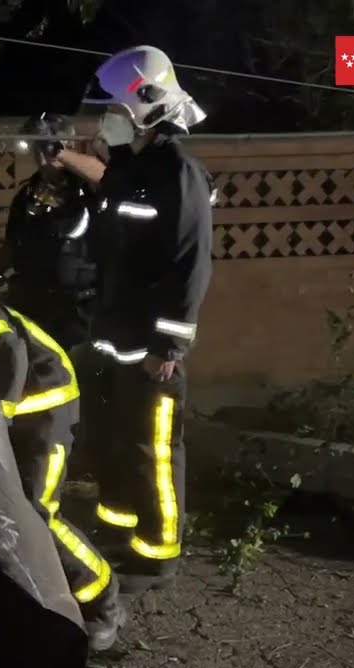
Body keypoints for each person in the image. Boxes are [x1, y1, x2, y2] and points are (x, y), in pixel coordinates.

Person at [68, 45, 214, 594]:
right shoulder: (129, 172)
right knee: (113, 440)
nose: (106, 121)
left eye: (114, 111)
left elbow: (190, 266)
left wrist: (169, 347)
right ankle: (118, 526)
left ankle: (158, 552)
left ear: (148, 107)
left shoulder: (180, 173)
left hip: (151, 351)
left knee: (154, 448)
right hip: (112, 340)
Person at [0, 285, 126, 652]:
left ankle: (103, 599)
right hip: (18, 412)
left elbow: (9, 356)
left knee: (36, 513)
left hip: (46, 404)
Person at [0, 114, 101, 353]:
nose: (41, 154)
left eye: (45, 146)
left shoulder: (86, 189)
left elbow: (105, 176)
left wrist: (59, 152)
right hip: (32, 301)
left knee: (73, 371)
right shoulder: (27, 194)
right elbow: (13, 241)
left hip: (76, 307)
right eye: (36, 147)